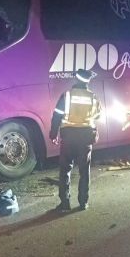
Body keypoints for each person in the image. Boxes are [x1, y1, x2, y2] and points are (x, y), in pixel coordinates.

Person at [50, 69, 102, 212]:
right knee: (84, 171)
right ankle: (83, 202)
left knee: (65, 170)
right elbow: (98, 116)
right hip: (86, 137)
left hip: (68, 137)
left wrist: (53, 134)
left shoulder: (66, 96)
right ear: (88, 81)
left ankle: (65, 204)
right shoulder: (93, 97)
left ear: (76, 80)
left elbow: (56, 116)